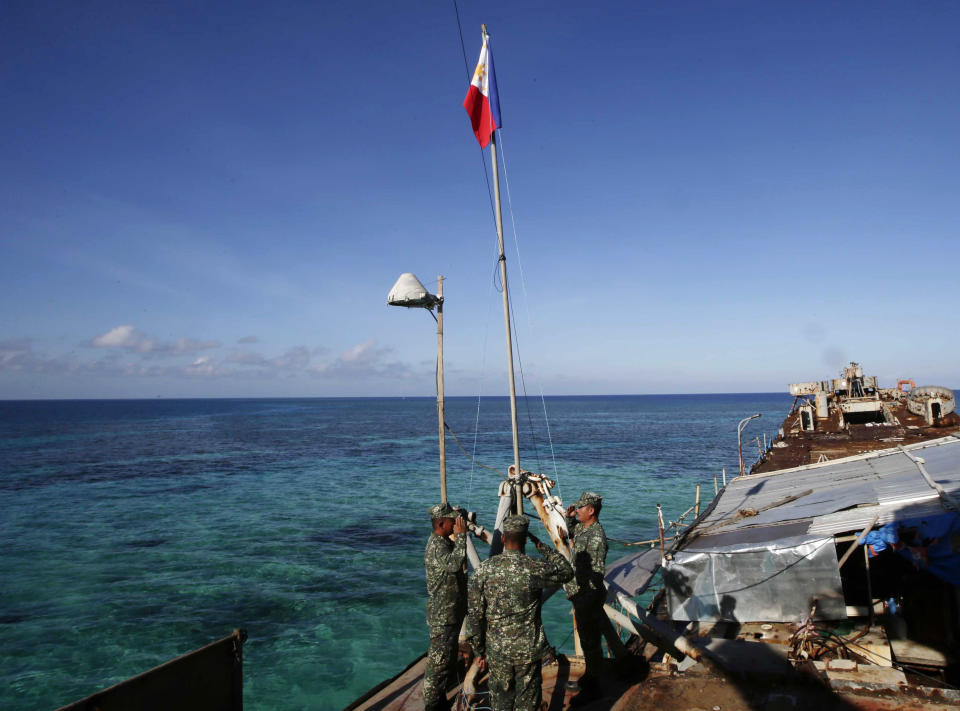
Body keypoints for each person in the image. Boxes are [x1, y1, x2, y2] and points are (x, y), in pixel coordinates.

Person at [467, 514, 573, 711]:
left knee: (500, 702)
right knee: (528, 702)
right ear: (525, 539)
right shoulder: (533, 567)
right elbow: (567, 571)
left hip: (498, 650)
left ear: (502, 539)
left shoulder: (484, 570)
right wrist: (542, 546)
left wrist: (478, 651)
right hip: (528, 649)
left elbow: (475, 614)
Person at [423, 502, 469, 711]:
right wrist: (461, 537)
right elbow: (453, 564)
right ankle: (432, 706)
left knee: (446, 660)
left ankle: (439, 700)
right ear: (441, 523)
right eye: (452, 521)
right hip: (443, 615)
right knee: (438, 665)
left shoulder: (444, 543)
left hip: (450, 611)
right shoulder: (436, 546)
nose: (455, 524)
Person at [563, 491, 608, 698]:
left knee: (591, 642)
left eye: (581, 508)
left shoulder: (597, 536)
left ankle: (594, 686)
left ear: (591, 511)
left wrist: (585, 599)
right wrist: (568, 518)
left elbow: (597, 574)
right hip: (580, 594)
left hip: (588, 595)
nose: (577, 510)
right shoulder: (583, 527)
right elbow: (572, 532)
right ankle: (590, 678)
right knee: (586, 639)